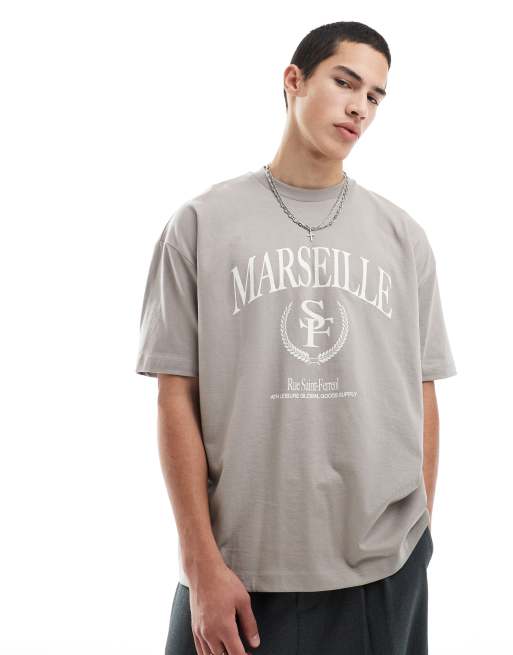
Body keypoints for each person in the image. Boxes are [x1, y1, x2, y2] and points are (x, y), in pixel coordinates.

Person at [135, 20, 457, 655]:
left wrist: (418, 532)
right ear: (294, 80)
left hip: (383, 571)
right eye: (345, 82)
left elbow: (422, 388)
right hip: (241, 570)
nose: (360, 107)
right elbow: (175, 398)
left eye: (375, 96)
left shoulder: (403, 236)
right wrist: (201, 564)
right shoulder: (200, 225)